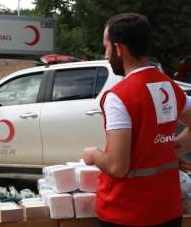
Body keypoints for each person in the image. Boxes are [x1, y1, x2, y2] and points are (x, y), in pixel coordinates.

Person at [82, 13, 191, 226]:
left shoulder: (119, 96)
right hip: (167, 210)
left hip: (125, 213)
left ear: (119, 49)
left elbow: (117, 166)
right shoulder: (169, 87)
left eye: (106, 47)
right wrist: (168, 149)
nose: (106, 55)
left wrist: (93, 155)